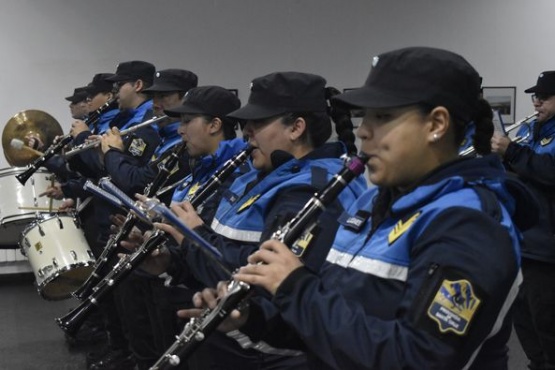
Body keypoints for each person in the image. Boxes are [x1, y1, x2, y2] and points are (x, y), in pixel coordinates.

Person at [188, 47, 538, 370]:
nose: (364, 133)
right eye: (364, 117)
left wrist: (295, 287)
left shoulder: (470, 225)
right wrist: (253, 317)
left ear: (436, 124)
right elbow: (326, 327)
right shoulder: (371, 203)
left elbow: (418, 359)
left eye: (382, 117)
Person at [156, 71, 368, 370]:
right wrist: (170, 261)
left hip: (263, 351)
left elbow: (263, 276)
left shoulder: (311, 188)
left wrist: (194, 239)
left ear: (296, 128)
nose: (247, 133)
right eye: (246, 124)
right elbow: (230, 248)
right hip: (232, 337)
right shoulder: (260, 176)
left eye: (258, 123)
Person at [491, 71, 555, 370]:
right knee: (523, 319)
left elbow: (549, 172)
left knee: (547, 322)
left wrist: (512, 151)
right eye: (535, 96)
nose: (537, 102)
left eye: (544, 97)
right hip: (523, 242)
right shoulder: (532, 130)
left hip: (547, 250)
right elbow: (524, 176)